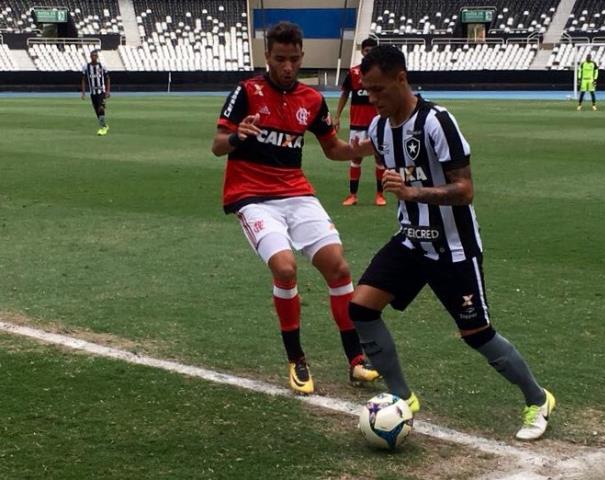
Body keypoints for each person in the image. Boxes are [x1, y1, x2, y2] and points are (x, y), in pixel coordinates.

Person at [347, 45, 556, 441]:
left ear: (401, 79)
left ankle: (537, 398)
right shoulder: (379, 127)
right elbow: (348, 150)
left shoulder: (436, 122)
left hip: (452, 247)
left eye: (378, 90)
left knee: (477, 334)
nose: (372, 100)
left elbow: (465, 190)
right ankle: (402, 397)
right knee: (361, 308)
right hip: (410, 241)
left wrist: (414, 193)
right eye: (366, 92)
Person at [210, 22, 379, 395]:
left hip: (297, 194)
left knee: (338, 267)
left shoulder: (311, 99)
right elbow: (218, 145)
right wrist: (239, 135)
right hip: (252, 196)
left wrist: (368, 147)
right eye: (279, 59)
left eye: (293, 59)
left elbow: (334, 149)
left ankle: (356, 360)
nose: (287, 66)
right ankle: (296, 358)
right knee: (285, 269)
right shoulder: (246, 92)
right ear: (267, 57)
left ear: (302, 57)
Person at [334, 37, 386, 207]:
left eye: (372, 50)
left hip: (377, 123)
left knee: (379, 159)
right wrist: (337, 116)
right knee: (356, 157)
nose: (369, 53)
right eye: (366, 50)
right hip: (357, 123)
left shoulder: (382, 73)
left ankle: (379, 195)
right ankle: (353, 195)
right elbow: (344, 94)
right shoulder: (354, 72)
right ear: (362, 52)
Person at [81, 50, 111, 136]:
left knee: (101, 108)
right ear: (90, 57)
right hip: (92, 92)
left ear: (97, 57)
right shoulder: (86, 67)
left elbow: (108, 78)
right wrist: (83, 92)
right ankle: (104, 125)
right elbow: (83, 79)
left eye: (95, 56)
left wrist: (108, 91)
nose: (94, 57)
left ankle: (103, 128)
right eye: (92, 56)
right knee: (97, 111)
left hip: (101, 91)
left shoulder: (102, 66)